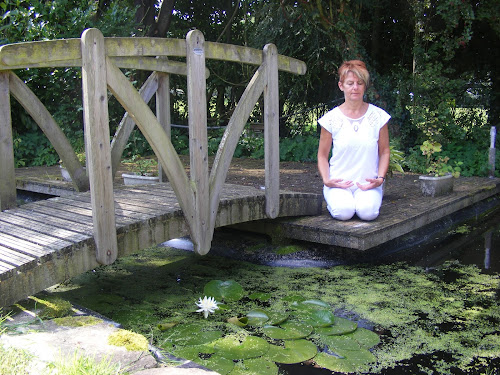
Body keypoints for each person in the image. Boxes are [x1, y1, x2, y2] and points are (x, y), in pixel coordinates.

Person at [317, 60, 390, 221]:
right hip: (339, 184)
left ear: (365, 86)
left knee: (368, 213)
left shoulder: (378, 117)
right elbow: (322, 155)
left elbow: (384, 151)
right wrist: (327, 180)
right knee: (344, 213)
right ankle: (336, 199)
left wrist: (380, 179)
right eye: (350, 83)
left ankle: (365, 200)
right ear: (341, 85)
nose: (355, 88)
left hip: (368, 184)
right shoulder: (330, 119)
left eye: (359, 83)